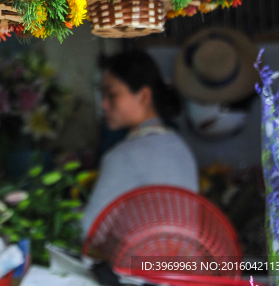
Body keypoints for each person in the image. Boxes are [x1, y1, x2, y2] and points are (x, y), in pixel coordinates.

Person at [81, 51, 198, 236]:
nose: (103, 105)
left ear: (143, 96)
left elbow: (90, 229)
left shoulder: (124, 155)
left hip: (138, 263)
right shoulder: (180, 147)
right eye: (102, 96)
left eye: (111, 95)